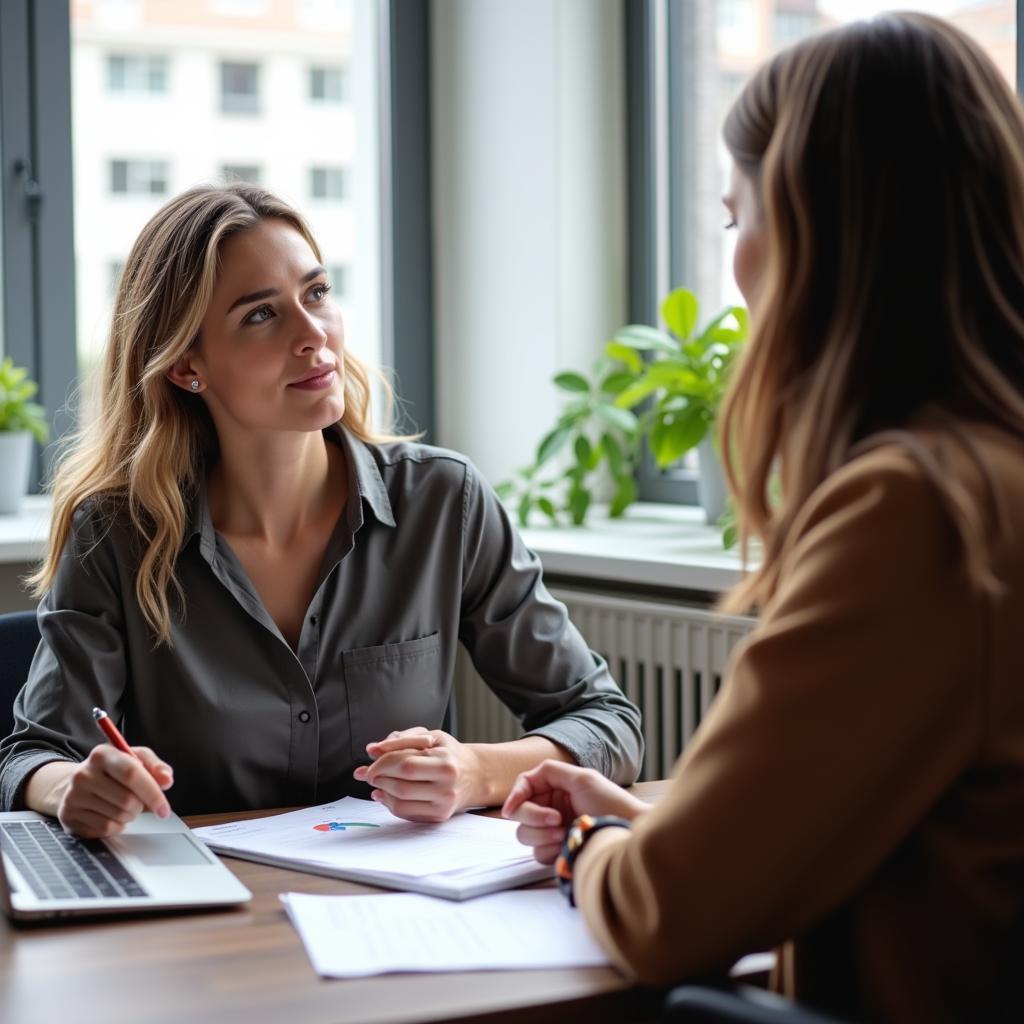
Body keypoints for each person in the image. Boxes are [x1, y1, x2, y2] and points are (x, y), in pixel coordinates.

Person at [503, 13, 1024, 1022]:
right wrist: (638, 826)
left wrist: (589, 851)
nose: (732, 258)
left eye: (735, 216)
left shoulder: (919, 511)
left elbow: (667, 915)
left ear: (815, 230)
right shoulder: (992, 474)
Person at [0, 184, 642, 837]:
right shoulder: (115, 533)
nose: (314, 335)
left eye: (317, 294)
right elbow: (31, 755)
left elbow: (605, 719)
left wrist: (478, 770)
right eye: (260, 315)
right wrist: (71, 789)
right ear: (188, 365)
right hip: (209, 919)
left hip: (395, 912)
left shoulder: (444, 503)